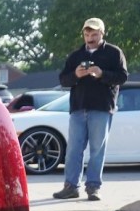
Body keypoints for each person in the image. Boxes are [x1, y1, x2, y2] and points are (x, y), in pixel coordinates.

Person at [53, 17, 128, 201]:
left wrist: (102, 74)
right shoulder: (76, 55)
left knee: (97, 150)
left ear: (102, 33)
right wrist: (76, 75)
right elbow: (63, 80)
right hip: (78, 108)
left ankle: (93, 187)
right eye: (87, 34)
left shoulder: (113, 53)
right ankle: (71, 187)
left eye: (94, 34)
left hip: (102, 108)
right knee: (73, 150)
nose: (90, 38)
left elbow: (123, 77)